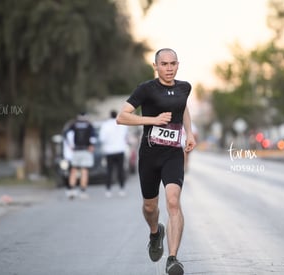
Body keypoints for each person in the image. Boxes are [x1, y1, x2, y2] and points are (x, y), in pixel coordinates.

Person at [116, 48, 196, 275]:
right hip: (150, 155)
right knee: (150, 206)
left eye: (173, 64)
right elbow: (122, 116)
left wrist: (189, 133)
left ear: (178, 65)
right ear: (156, 66)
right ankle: (154, 232)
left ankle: (172, 259)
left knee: (173, 202)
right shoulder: (146, 89)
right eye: (164, 64)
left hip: (173, 154)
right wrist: (153, 120)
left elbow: (183, 108)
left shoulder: (184, 87)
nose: (169, 68)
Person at [65, 112, 97, 199]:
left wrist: (70, 146)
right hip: (86, 150)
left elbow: (67, 135)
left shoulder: (73, 124)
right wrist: (92, 146)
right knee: (84, 171)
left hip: (76, 150)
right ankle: (83, 191)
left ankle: (71, 190)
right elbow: (93, 137)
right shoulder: (89, 125)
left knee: (73, 170)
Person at [99, 110, 128, 197]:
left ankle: (108, 190)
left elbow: (102, 138)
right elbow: (125, 136)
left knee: (109, 170)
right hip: (120, 149)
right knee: (120, 170)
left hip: (109, 150)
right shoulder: (122, 124)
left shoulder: (105, 125)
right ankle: (122, 189)